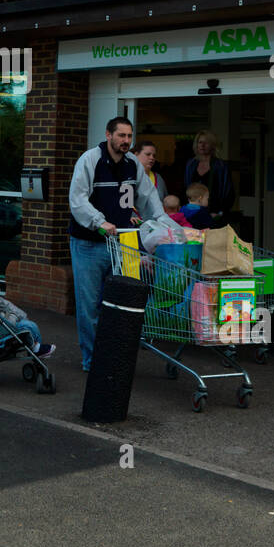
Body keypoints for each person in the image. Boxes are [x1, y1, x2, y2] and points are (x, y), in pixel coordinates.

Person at [69, 116, 165, 373]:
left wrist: (166, 225)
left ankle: (115, 355)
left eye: (129, 136)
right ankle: (91, 359)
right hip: (89, 244)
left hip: (122, 244)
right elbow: (77, 200)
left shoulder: (133, 164)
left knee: (122, 302)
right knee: (89, 305)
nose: (125, 141)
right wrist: (99, 221)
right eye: (121, 135)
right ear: (108, 134)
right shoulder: (90, 160)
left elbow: (149, 198)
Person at [0, 276, 55, 357]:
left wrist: (19, 316)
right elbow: (6, 322)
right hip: (6, 330)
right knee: (30, 326)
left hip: (11, 322)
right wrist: (15, 316)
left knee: (31, 326)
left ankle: (36, 349)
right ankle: (36, 350)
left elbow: (12, 308)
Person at [183, 130, 235, 227]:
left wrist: (220, 213)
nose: (202, 145)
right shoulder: (191, 164)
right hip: (192, 214)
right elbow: (186, 188)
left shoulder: (220, 165)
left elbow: (228, 192)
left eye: (206, 142)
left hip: (214, 215)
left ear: (212, 145)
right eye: (200, 142)